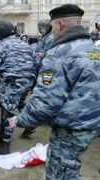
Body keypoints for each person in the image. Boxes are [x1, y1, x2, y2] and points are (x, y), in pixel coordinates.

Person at [8, 4, 100, 179]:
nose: (52, 31)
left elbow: (46, 103)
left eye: (52, 27)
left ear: (60, 25)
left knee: (60, 172)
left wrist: (20, 120)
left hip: (72, 127)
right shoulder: (95, 50)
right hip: (93, 122)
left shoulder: (58, 54)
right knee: (71, 165)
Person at [0, 20, 36, 155]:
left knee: (7, 113)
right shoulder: (25, 45)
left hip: (13, 83)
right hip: (28, 82)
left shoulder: (2, 46)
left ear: (0, 33)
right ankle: (30, 125)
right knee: (20, 104)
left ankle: (4, 146)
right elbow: (35, 62)